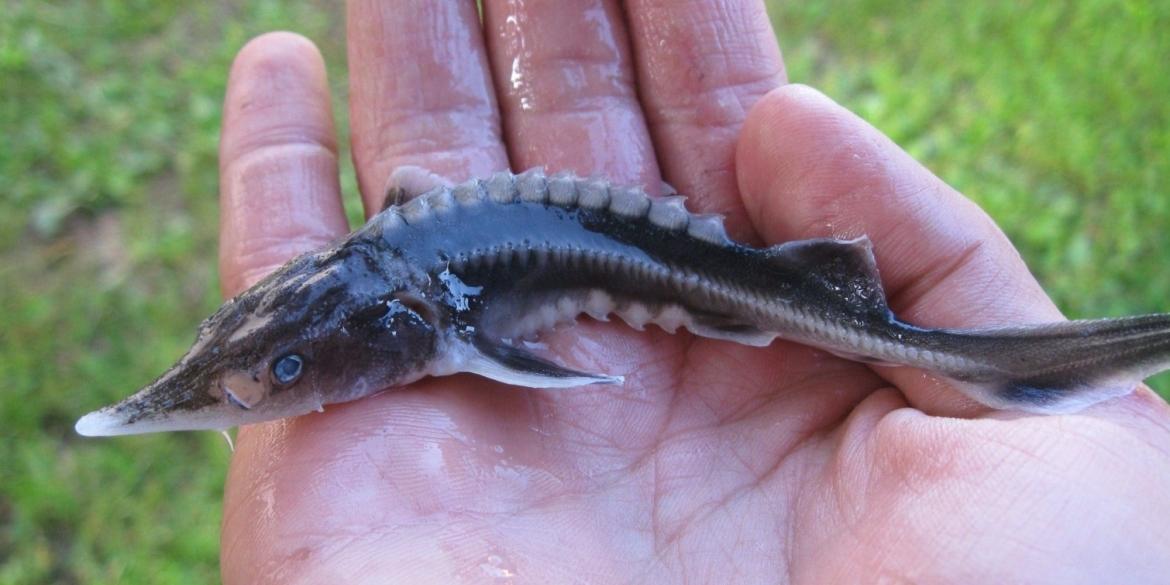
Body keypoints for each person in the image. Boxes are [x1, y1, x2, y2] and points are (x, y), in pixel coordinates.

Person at [216, 1, 1170, 582]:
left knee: (881, 329)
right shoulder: (400, 264)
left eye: (287, 366)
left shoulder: (434, 316)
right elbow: (414, 204)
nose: (273, 392)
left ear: (414, 328)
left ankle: (1017, 374)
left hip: (684, 270)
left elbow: (474, 310)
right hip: (549, 253)